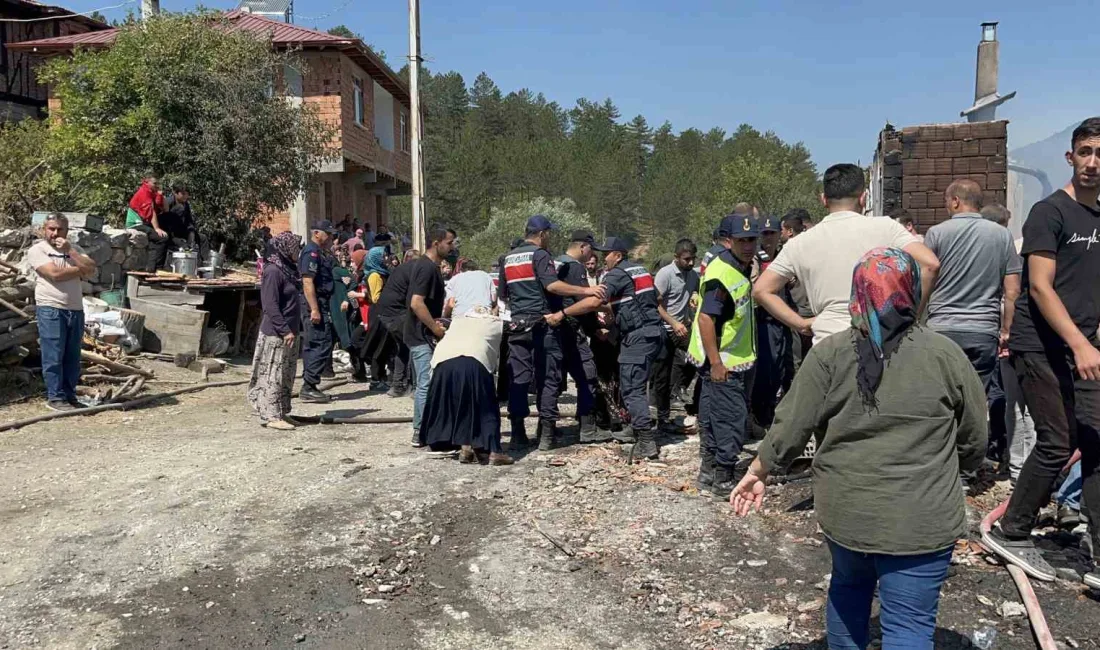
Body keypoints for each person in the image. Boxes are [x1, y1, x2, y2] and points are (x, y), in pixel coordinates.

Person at [731, 247, 987, 650]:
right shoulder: (945, 355)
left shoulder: (829, 355)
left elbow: (791, 426)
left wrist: (758, 471)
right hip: (921, 520)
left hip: (849, 515)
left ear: (857, 293)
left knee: (849, 591)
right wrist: (962, 467)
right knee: (909, 626)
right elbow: (975, 436)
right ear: (912, 291)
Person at [982, 118, 1100, 589]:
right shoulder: (1049, 214)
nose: (1093, 162)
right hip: (1041, 345)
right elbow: (1039, 287)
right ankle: (1014, 530)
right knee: (1056, 439)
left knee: (1095, 442)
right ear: (1070, 157)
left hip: (1085, 346)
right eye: (1086, 151)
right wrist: (1079, 342)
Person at [754, 163, 940, 346]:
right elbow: (930, 265)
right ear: (864, 198)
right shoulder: (886, 228)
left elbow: (761, 290)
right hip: (881, 339)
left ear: (824, 199)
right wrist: (911, 317)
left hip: (828, 343)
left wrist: (800, 324)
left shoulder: (799, 243)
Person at [924, 180, 1021, 465]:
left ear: (955, 201)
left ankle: (938, 463)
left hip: (941, 329)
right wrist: (1006, 330)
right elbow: (1012, 291)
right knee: (975, 402)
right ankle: (967, 468)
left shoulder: (936, 233)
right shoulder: (1002, 236)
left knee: (939, 399)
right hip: (982, 330)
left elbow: (927, 278)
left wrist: (917, 318)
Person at [498, 216, 605, 451]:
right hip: (542, 323)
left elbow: (503, 295)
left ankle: (517, 435)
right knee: (548, 378)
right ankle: (546, 436)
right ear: (542, 234)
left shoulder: (507, 258)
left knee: (519, 378)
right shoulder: (540, 255)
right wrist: (588, 290)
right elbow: (552, 286)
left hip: (517, 326)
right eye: (549, 234)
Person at [688, 215, 759, 496]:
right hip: (724, 363)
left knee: (711, 416)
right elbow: (706, 319)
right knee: (730, 417)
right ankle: (723, 477)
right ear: (728, 242)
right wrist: (717, 362)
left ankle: (708, 473)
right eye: (742, 241)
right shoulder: (723, 275)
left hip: (721, 360)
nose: (749, 246)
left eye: (752, 239)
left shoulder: (736, 267)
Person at [591, 236, 664, 459]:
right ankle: (636, 426)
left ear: (619, 255)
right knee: (638, 385)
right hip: (653, 332)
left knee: (632, 388)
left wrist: (564, 312)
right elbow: (657, 297)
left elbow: (595, 300)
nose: (604, 259)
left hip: (638, 337)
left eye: (607, 255)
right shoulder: (639, 271)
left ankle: (645, 441)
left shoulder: (617, 274)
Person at [421, 308, 515, 466]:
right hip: (473, 361)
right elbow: (506, 358)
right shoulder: (496, 323)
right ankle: (494, 452)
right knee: (486, 408)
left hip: (442, 364)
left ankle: (466, 448)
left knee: (460, 405)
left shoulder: (458, 322)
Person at [28, 213, 96, 411]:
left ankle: (69, 395)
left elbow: (91, 268)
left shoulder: (74, 249)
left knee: (72, 356)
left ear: (67, 231)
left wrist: (72, 254)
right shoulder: (37, 250)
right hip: (51, 307)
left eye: (60, 229)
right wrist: (81, 270)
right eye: (51, 229)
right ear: (44, 229)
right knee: (54, 354)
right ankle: (55, 397)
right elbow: (55, 274)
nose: (55, 233)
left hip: (75, 308)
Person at [553, 231, 605, 442]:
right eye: (591, 249)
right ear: (583, 247)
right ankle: (588, 429)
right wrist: (596, 329)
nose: (591, 254)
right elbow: (583, 302)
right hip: (571, 330)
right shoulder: (575, 267)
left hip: (553, 328)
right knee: (587, 376)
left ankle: (546, 430)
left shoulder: (556, 262)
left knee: (552, 381)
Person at [248, 232, 302, 430]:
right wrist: (284, 330)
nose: (298, 252)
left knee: (286, 374)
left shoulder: (289, 269)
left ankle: (282, 411)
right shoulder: (273, 271)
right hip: (276, 333)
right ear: (285, 248)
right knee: (273, 374)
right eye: (295, 248)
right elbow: (270, 305)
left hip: (291, 331)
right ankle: (271, 415)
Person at [409, 226, 457, 448]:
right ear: (436, 243)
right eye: (449, 242)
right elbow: (416, 302)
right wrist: (435, 328)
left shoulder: (432, 268)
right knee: (425, 383)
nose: (452, 246)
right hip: (421, 336)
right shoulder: (426, 268)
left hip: (426, 334)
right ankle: (420, 431)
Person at [750, 215, 794, 435]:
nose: (768, 238)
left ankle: (770, 411)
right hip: (764, 319)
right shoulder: (756, 257)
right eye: (764, 234)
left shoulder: (784, 255)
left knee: (781, 368)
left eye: (772, 233)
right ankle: (760, 414)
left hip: (783, 318)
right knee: (765, 368)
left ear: (779, 234)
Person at [652, 238, 698, 434]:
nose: (690, 263)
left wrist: (695, 294)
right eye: (687, 259)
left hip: (683, 327)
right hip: (664, 328)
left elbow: (695, 290)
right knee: (660, 375)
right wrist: (673, 322)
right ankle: (661, 417)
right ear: (676, 257)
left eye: (693, 259)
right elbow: (656, 304)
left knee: (698, 358)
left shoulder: (692, 275)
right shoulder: (665, 275)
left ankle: (679, 389)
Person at [298, 220, 339, 403]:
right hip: (314, 304)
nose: (330, 237)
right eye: (327, 234)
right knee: (319, 342)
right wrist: (314, 309)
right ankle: (309, 386)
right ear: (317, 233)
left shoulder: (320, 252)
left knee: (322, 341)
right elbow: (308, 282)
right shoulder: (311, 252)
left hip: (321, 303)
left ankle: (310, 384)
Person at [373, 249, 417, 399]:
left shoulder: (399, 271)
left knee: (403, 347)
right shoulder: (411, 272)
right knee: (414, 346)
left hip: (386, 314)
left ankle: (397, 386)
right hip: (396, 314)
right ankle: (413, 386)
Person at [125, 175, 168, 272]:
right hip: (135, 224)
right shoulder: (144, 193)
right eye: (154, 183)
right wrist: (157, 228)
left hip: (143, 223)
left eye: (157, 183)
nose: (157, 185)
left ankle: (152, 268)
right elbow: (151, 212)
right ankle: (157, 268)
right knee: (162, 238)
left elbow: (165, 209)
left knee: (158, 238)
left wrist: (161, 195)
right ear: (147, 182)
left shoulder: (152, 193)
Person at [160, 184, 199, 253]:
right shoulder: (168, 202)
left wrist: (191, 231)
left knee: (202, 238)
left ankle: (205, 262)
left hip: (182, 230)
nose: (185, 196)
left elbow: (189, 220)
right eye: (183, 194)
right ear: (176, 193)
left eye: (187, 194)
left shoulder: (185, 204)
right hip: (170, 232)